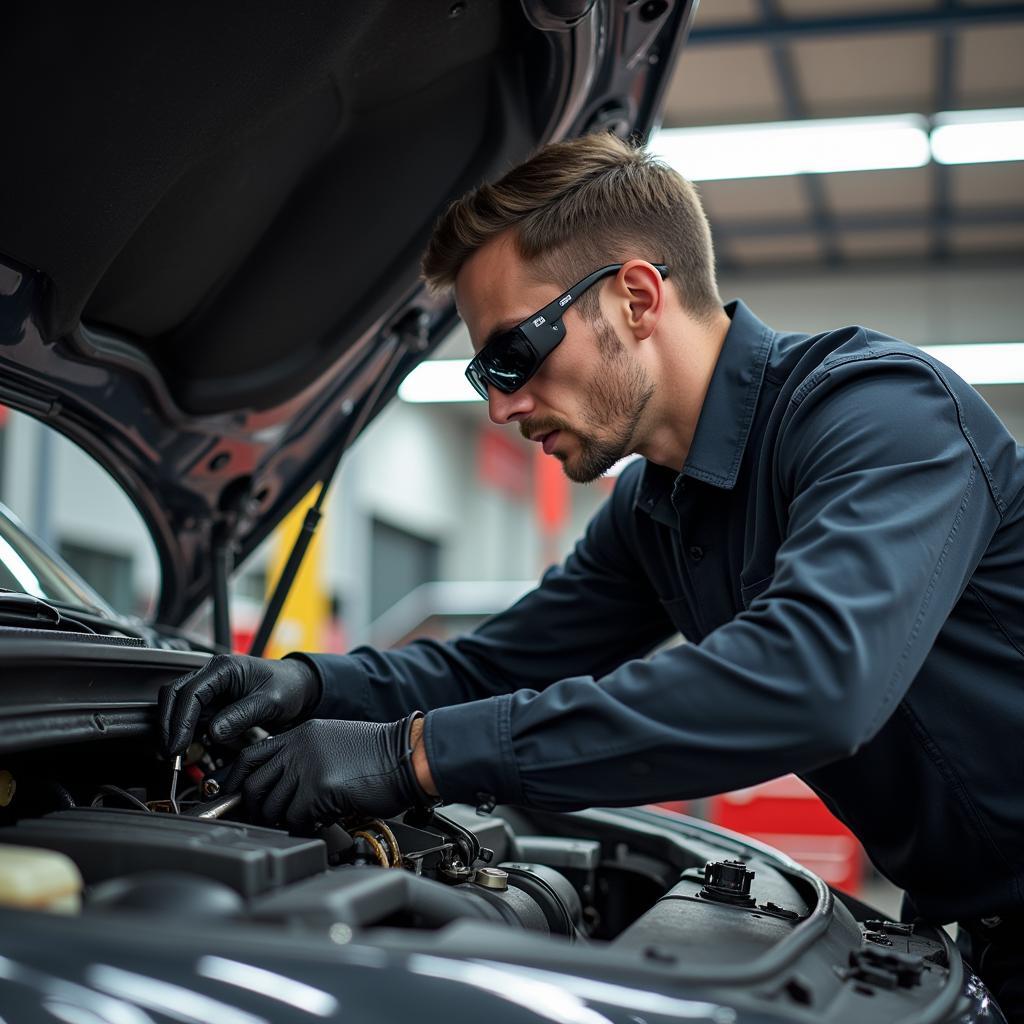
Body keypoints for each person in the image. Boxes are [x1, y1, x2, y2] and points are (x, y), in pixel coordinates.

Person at [159, 132, 1024, 1011]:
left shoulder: (882, 415)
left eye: (513, 354)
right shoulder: (655, 508)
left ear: (637, 296)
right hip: (976, 924)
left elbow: (812, 680)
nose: (501, 406)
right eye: (480, 374)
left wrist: (412, 756)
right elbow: (492, 665)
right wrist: (309, 685)